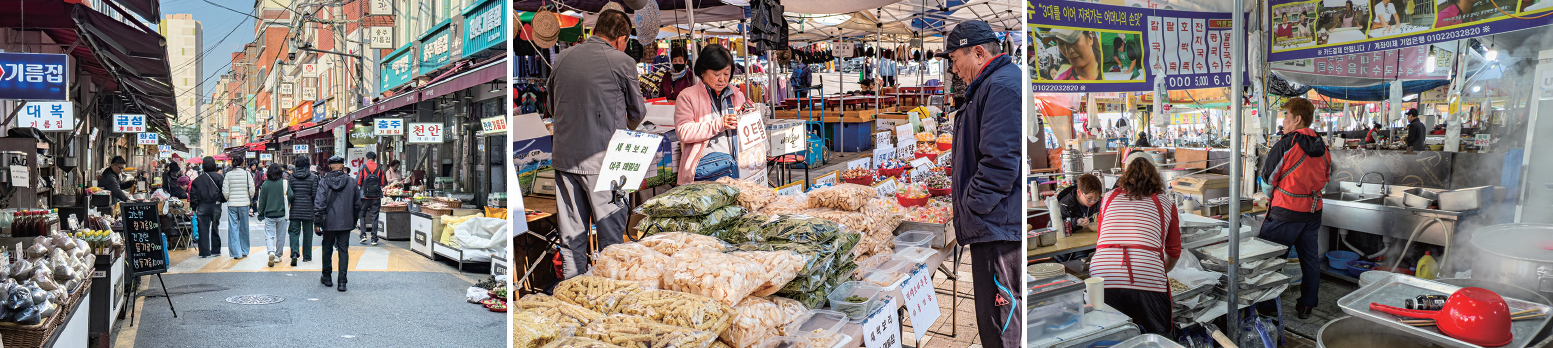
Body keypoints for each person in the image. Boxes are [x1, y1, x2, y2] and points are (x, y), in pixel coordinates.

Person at [939, 20, 1023, 348]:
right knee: (996, 322)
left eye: (954, 59)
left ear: (977, 52)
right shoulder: (993, 83)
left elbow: (1000, 163)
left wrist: (972, 204)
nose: (953, 69)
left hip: (997, 228)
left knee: (1002, 327)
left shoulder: (1001, 85)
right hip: (995, 224)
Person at [547, 9, 646, 279]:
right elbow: (637, 113)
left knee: (571, 237)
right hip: (606, 162)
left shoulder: (563, 58)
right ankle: (608, 301)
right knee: (611, 239)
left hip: (565, 159)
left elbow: (551, 106)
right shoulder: (622, 62)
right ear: (621, 38)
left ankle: (572, 296)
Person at [1256, 97, 1332, 319]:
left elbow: (1268, 179)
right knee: (1309, 260)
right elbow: (1326, 177)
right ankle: (1307, 305)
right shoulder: (1323, 146)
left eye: (1286, 116)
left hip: (1285, 214)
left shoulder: (1286, 144)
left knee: (1270, 260)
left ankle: (1268, 307)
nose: (1283, 120)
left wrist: (1275, 196)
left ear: (1297, 118)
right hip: (1312, 212)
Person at [1092, 157, 1182, 336]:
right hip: (1146, 273)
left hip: (1103, 275)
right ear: (1156, 178)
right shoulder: (1165, 202)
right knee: (1159, 337)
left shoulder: (1108, 198)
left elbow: (1100, 239)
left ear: (1125, 177)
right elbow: (1173, 251)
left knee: (1113, 337)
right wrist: (1156, 269)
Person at [674, 44, 748, 185]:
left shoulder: (737, 95)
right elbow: (683, 132)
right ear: (703, 71)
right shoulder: (687, 96)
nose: (722, 79)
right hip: (705, 174)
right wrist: (719, 124)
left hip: (737, 171)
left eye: (726, 74)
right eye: (716, 74)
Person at [315, 156, 361, 292]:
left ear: (330, 166)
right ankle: (342, 282)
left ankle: (327, 277)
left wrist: (317, 222)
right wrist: (353, 219)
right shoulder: (352, 182)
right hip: (345, 221)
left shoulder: (324, 181)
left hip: (328, 222)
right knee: (343, 251)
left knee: (327, 249)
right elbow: (357, 204)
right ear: (342, 166)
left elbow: (319, 203)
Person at [287, 156, 320, 266]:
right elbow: (315, 195)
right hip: (309, 209)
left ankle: (294, 253)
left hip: (295, 209)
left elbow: (290, 195)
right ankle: (307, 256)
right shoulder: (313, 177)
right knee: (308, 233)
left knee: (294, 232)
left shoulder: (292, 177)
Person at [255, 163, 289, 267]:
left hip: (269, 215)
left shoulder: (265, 185)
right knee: (281, 236)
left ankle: (271, 252)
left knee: (269, 235)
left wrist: (260, 214)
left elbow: (262, 201)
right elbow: (291, 195)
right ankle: (278, 255)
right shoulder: (284, 183)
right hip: (282, 214)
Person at [190, 157, 225, 258]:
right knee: (215, 227)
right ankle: (216, 249)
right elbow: (224, 191)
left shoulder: (197, 180)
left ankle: (204, 251)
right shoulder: (219, 178)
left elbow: (193, 195)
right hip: (216, 204)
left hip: (202, 205)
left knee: (203, 228)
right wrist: (221, 200)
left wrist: (194, 207)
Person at [222, 156, 255, 259]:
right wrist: (250, 198)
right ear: (242, 164)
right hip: (244, 204)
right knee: (244, 227)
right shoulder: (247, 174)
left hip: (232, 204)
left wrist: (229, 199)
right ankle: (244, 250)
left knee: (233, 228)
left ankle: (236, 253)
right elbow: (252, 189)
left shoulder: (228, 175)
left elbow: (225, 191)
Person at [357, 152, 386, 246]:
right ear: (375, 158)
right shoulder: (379, 168)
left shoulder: (363, 167)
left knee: (362, 215)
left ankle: (363, 235)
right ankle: (374, 238)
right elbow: (382, 182)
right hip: (376, 196)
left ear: (366, 158)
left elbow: (358, 181)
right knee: (374, 217)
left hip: (364, 196)